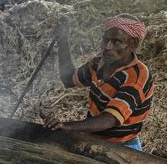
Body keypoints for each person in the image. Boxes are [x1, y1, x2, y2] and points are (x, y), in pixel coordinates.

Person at [47, 15, 154, 150]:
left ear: (133, 44)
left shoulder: (137, 77)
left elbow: (110, 119)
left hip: (123, 147)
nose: (107, 47)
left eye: (116, 42)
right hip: (94, 139)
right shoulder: (99, 63)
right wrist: (63, 41)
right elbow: (69, 79)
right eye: (105, 40)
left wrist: (67, 126)